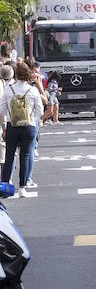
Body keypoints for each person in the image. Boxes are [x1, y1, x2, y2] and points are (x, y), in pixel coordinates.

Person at [1, 63, 43, 197]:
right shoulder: (32, 90)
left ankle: (5, 187)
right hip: (29, 126)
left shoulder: (9, 90)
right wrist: (30, 116)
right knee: (25, 156)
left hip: (12, 126)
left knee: (9, 156)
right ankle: (22, 188)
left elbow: (2, 109)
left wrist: (12, 115)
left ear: (16, 75)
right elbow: (40, 111)